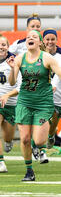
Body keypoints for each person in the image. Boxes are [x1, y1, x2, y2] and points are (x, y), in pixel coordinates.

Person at [7, 30, 61, 181]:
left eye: (34, 37)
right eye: (28, 37)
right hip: (24, 102)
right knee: (24, 139)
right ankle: (29, 170)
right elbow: (12, 82)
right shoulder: (19, 59)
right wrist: (12, 69)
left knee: (38, 141)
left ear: (40, 42)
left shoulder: (46, 58)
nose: (30, 38)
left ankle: (45, 132)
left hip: (43, 104)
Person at [42, 29, 61, 149]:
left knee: (54, 121)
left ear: (57, 40)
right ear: (43, 40)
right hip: (42, 94)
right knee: (41, 120)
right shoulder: (38, 54)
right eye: (47, 39)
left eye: (53, 39)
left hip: (58, 94)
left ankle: (51, 135)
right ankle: (37, 147)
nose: (50, 42)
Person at [0, 34, 20, 173]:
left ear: (8, 46)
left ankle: (8, 142)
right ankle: (1, 161)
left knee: (8, 137)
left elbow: (20, 86)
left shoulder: (15, 61)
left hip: (12, 104)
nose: (1, 47)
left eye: (3, 44)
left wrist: (8, 95)